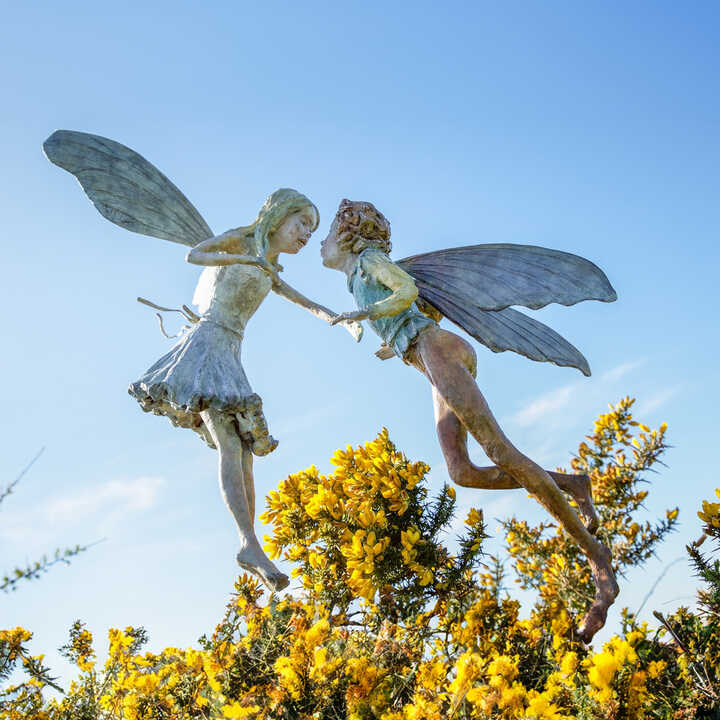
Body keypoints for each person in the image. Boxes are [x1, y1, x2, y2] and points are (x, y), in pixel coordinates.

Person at [322, 199, 618, 642]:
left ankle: (599, 563)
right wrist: (390, 339)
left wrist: (367, 316)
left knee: (500, 450)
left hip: (437, 351)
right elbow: (411, 306)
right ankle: (573, 485)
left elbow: (403, 291)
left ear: (346, 235)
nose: (319, 245)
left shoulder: (370, 261)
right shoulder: (358, 278)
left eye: (324, 235)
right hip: (426, 355)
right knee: (462, 472)